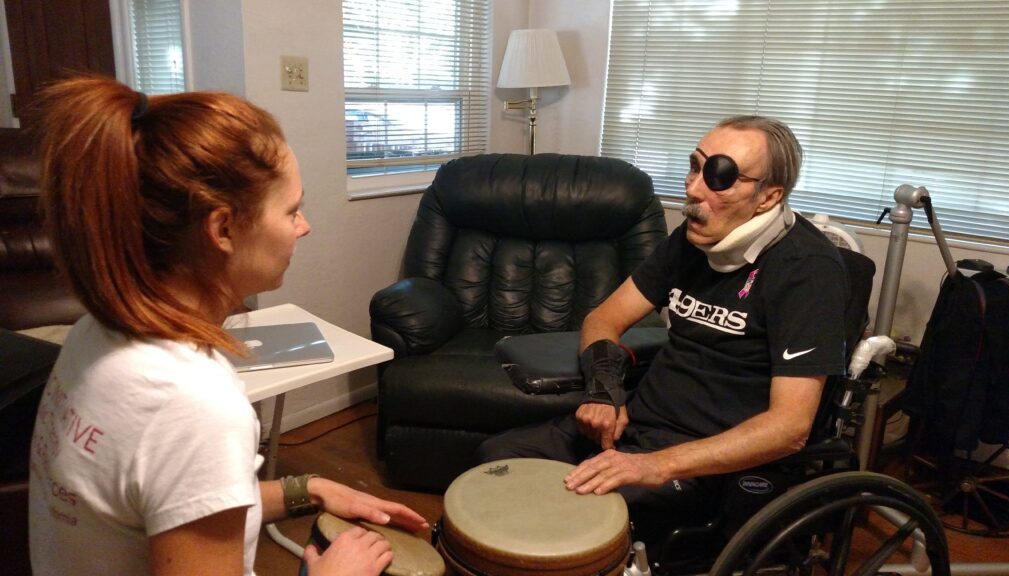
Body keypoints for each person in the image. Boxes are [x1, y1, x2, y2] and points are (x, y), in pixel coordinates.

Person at [27, 75, 428, 576]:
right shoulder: (191, 403)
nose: (304, 227)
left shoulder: (96, 332)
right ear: (222, 229)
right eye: (292, 210)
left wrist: (308, 488)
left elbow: (165, 496)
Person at [477, 115, 850, 543]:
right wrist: (604, 390)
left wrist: (658, 464)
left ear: (768, 197)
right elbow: (605, 318)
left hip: (706, 462)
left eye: (719, 177)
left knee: (569, 518)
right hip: (637, 427)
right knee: (497, 461)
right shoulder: (692, 241)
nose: (693, 188)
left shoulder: (807, 272)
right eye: (695, 166)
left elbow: (789, 428)